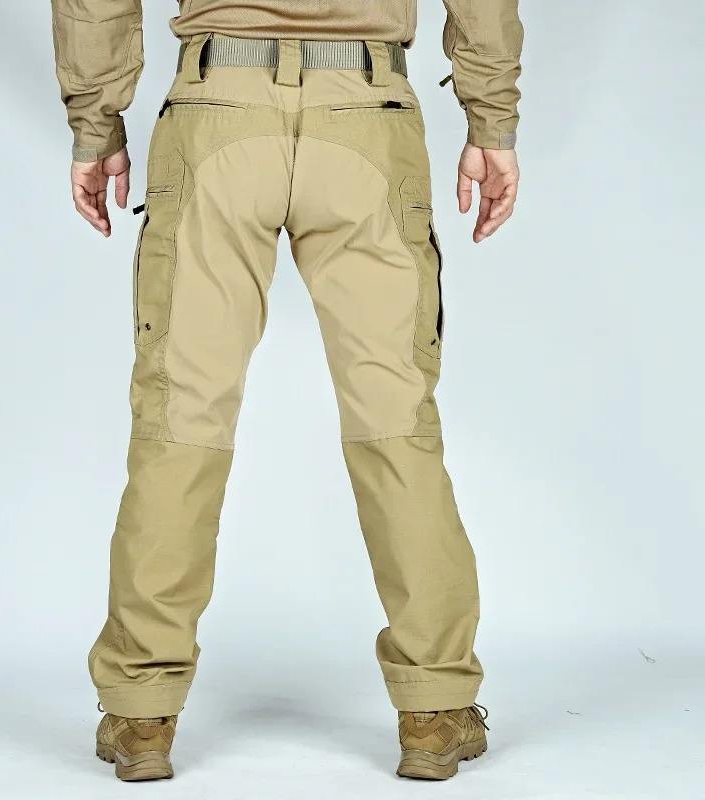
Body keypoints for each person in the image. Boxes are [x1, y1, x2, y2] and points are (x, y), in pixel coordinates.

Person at [51, 0, 522, 783]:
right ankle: (434, 709)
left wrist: (96, 125)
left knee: (181, 416)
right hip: (367, 115)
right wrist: (492, 121)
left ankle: (141, 712)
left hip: (216, 113)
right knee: (395, 420)